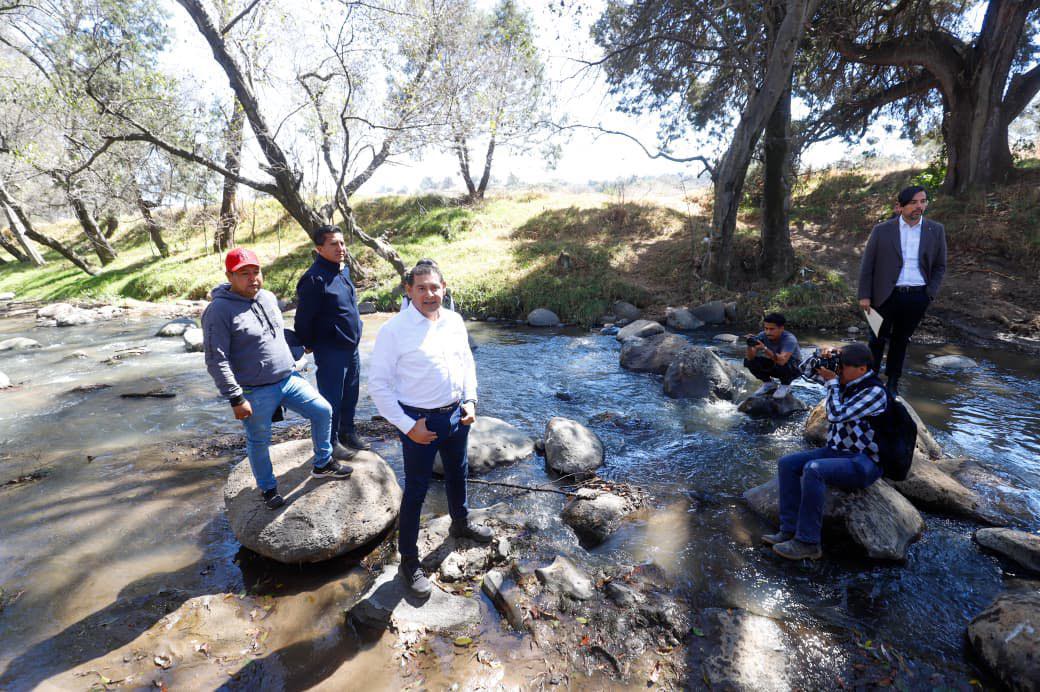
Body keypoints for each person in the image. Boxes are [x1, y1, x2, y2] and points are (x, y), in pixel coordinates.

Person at [368, 261, 492, 597]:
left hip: (456, 415)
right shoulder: (394, 331)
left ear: (444, 287)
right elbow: (378, 387)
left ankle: (461, 522)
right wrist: (409, 427)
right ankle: (409, 560)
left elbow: (466, 362)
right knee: (417, 491)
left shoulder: (453, 321)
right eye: (420, 288)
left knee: (457, 471)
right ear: (408, 291)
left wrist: (470, 400)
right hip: (419, 421)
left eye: (434, 287)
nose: (429, 294)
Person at [202, 248, 352, 511]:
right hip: (253, 390)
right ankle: (268, 488)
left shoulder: (268, 298)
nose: (252, 278)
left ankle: (322, 464)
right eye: (244, 274)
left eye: (256, 272)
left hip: (288, 378)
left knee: (322, 411)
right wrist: (236, 398)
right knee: (259, 439)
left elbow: (276, 335)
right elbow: (216, 359)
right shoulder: (218, 311)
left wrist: (301, 346)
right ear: (229, 276)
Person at [762, 343, 887, 560]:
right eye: (839, 365)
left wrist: (831, 383)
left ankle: (808, 542)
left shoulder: (875, 391)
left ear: (862, 369)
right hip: (836, 451)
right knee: (787, 464)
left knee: (814, 469)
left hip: (864, 461)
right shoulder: (843, 380)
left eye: (844, 366)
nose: (839, 370)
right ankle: (789, 530)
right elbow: (805, 370)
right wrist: (821, 355)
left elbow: (836, 414)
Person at [857, 185, 947, 395]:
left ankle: (893, 383)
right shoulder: (882, 230)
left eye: (923, 201)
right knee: (876, 339)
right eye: (914, 202)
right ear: (901, 206)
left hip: (917, 296)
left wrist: (929, 293)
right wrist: (864, 295)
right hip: (883, 296)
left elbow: (940, 266)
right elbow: (868, 264)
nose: (919, 206)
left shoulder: (936, 229)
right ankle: (869, 380)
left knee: (901, 341)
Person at [295, 225, 368, 462]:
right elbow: (303, 318)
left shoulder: (343, 272)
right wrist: (307, 342)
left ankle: (348, 432)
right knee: (331, 399)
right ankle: (331, 441)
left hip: (350, 347)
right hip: (330, 350)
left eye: (342, 243)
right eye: (334, 244)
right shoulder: (314, 279)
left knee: (350, 394)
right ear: (319, 249)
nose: (341, 248)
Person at [743, 312, 802, 399]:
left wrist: (764, 348)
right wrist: (749, 345)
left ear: (781, 328)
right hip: (776, 364)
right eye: (766, 328)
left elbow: (782, 361)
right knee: (748, 361)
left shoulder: (789, 339)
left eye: (771, 329)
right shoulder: (762, 335)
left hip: (793, 368)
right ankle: (768, 384)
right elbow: (750, 357)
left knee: (783, 363)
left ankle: (785, 385)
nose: (767, 332)